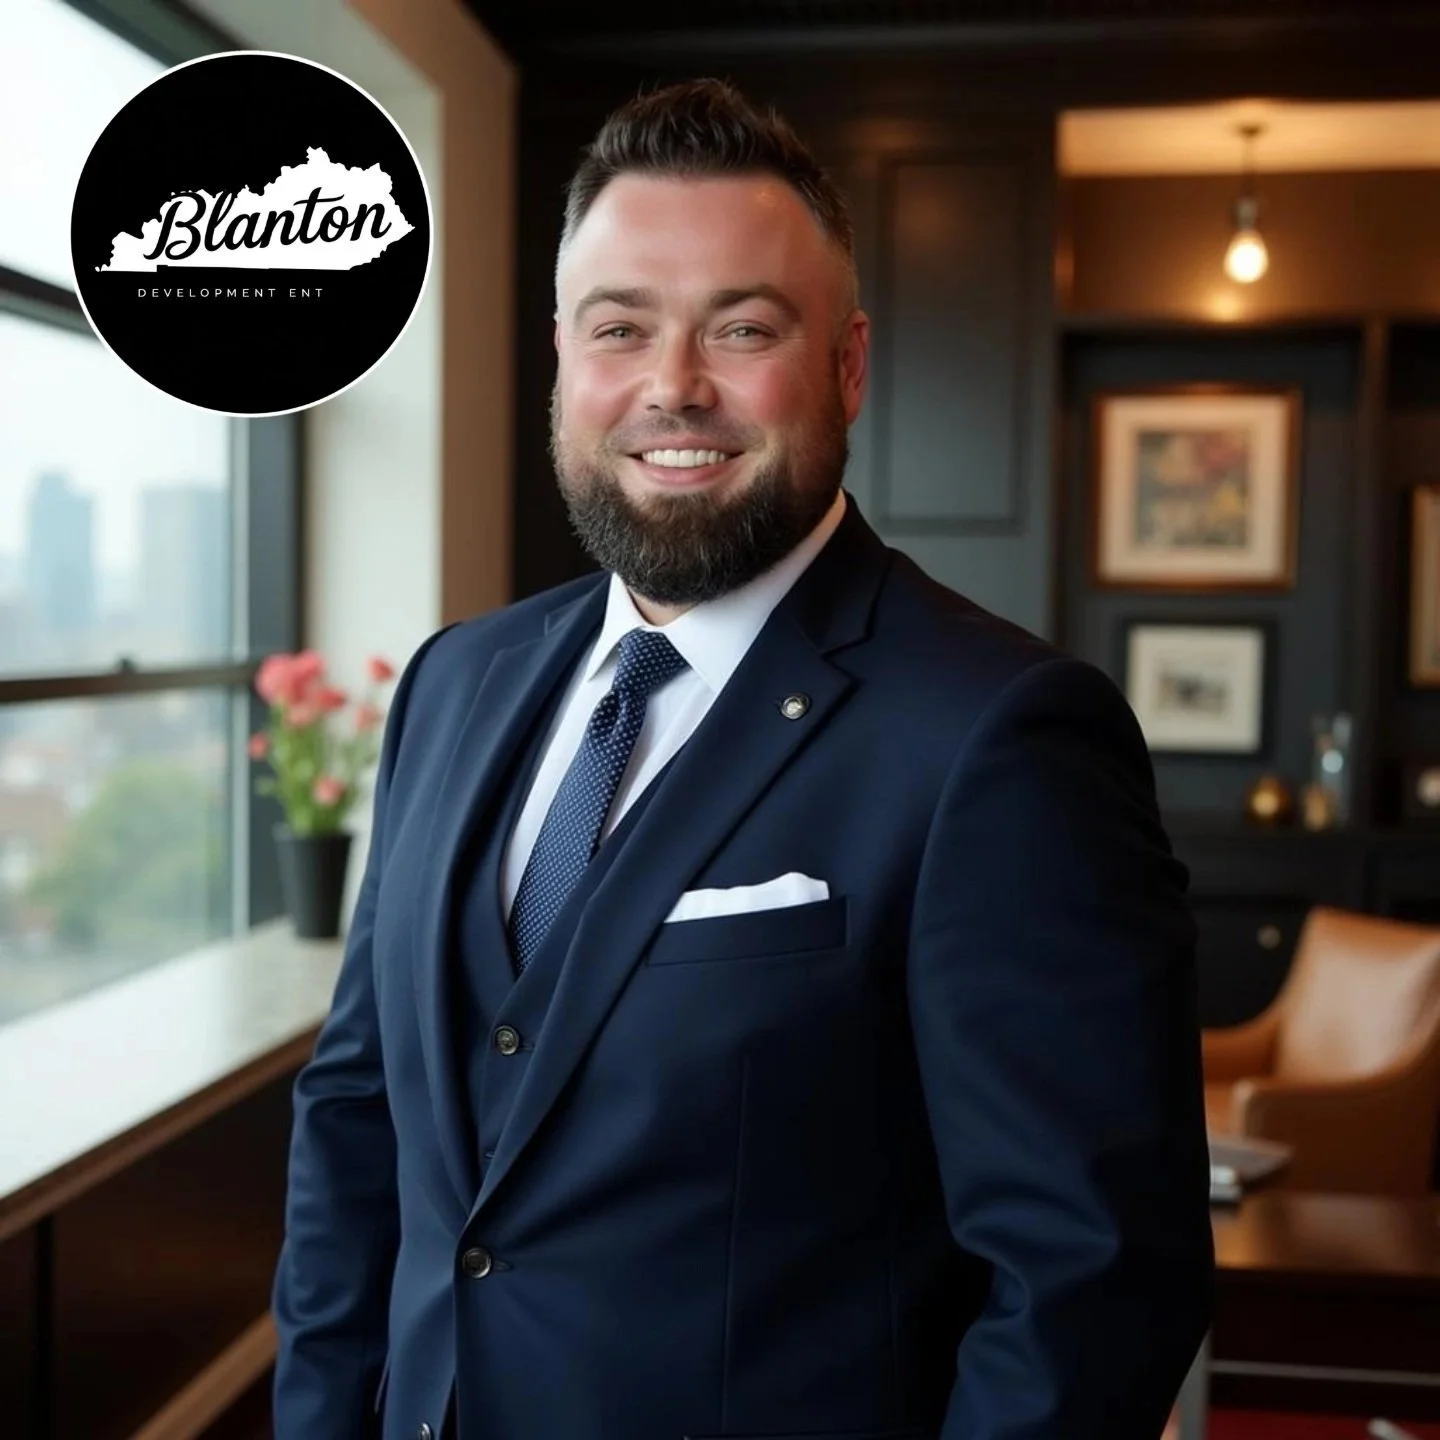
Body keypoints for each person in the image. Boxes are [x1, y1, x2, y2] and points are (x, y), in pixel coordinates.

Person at [271, 78, 1213, 1440]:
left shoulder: (1002, 736)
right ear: (561, 359)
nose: (674, 386)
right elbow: (358, 1119)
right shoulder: (452, 684)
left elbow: (1091, 1283)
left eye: (744, 327)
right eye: (620, 329)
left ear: (847, 366)